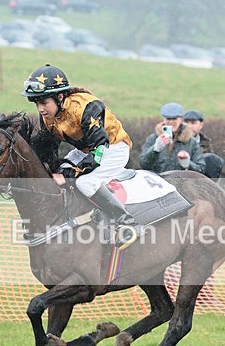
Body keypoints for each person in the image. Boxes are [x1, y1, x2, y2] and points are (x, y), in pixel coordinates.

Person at [21, 64, 144, 250]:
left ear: (60, 97)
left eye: (44, 102)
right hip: (87, 150)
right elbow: (48, 149)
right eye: (37, 104)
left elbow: (98, 152)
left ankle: (128, 223)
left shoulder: (87, 107)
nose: (41, 109)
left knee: (85, 183)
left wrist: (69, 175)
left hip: (112, 149)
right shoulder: (48, 115)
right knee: (61, 171)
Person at [139, 102, 206, 175]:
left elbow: (201, 169)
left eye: (174, 118)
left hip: (183, 184)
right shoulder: (153, 139)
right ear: (163, 119)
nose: (171, 122)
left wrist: (188, 164)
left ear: (181, 119)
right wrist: (155, 149)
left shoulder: (191, 142)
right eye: (168, 118)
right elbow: (144, 165)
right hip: (159, 184)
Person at [183, 109, 224, 180]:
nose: (189, 126)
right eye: (186, 122)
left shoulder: (205, 143)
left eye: (193, 123)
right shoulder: (176, 141)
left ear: (201, 125)